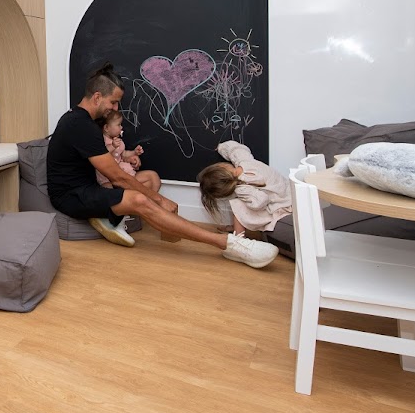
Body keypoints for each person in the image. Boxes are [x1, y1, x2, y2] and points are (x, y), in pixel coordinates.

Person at [46, 61, 278, 268]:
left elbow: (115, 171)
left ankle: (109, 217)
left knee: (147, 180)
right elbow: (117, 177)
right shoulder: (79, 125)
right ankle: (229, 244)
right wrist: (159, 199)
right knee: (139, 198)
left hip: (89, 188)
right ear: (97, 96)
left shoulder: (84, 122)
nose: (116, 109)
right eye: (114, 102)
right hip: (71, 196)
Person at [197, 141, 291, 238]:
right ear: (222, 166)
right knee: (239, 202)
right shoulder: (244, 161)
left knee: (237, 205)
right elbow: (236, 149)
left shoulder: (241, 189)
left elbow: (262, 201)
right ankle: (236, 229)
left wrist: (247, 201)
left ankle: (239, 238)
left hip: (281, 204)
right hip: (288, 192)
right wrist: (221, 147)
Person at [94, 109, 142, 188]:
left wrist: (134, 152)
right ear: (106, 128)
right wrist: (112, 146)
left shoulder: (117, 140)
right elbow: (102, 153)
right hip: (106, 179)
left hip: (119, 176)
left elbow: (123, 153)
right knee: (109, 189)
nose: (121, 127)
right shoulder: (102, 140)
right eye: (118, 125)